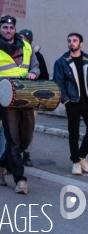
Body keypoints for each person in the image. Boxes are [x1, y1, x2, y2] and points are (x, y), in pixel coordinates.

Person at [0, 15, 40, 194]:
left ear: (15, 29)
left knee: (25, 137)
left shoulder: (26, 46)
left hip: (25, 93)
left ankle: (0, 163)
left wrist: (34, 73)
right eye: (5, 28)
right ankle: (20, 179)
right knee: (12, 138)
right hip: (4, 96)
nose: (8, 31)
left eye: (11, 28)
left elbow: (35, 66)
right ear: (0, 29)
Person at [53, 33, 88, 176]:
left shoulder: (87, 59)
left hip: (87, 101)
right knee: (73, 133)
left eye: (75, 41)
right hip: (72, 102)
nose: (71, 43)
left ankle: (81, 157)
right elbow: (58, 83)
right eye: (69, 41)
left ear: (81, 44)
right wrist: (65, 100)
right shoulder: (61, 61)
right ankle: (76, 163)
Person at [18, 29, 49, 167]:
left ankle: (26, 154)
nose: (21, 39)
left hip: (31, 98)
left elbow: (45, 77)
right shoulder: (14, 54)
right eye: (19, 37)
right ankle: (11, 155)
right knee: (13, 127)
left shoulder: (37, 57)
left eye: (24, 37)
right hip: (16, 96)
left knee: (28, 127)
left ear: (29, 41)